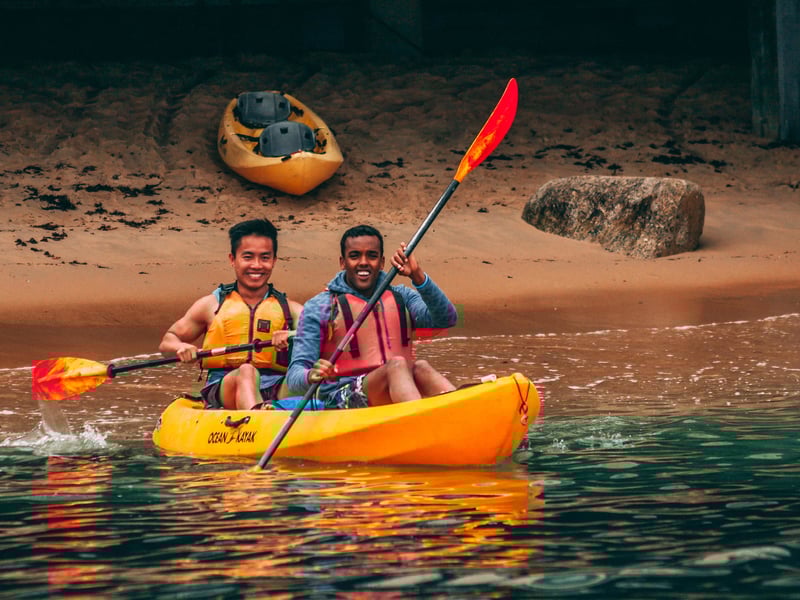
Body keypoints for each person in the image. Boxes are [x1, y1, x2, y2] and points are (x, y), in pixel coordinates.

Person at [286, 224, 458, 409]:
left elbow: (446, 319)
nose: (363, 262)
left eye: (372, 256)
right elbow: (294, 376)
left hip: (397, 386)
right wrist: (310, 375)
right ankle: (418, 418)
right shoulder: (321, 306)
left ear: (382, 262)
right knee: (397, 365)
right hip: (340, 398)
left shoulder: (402, 296)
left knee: (421, 367)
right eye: (354, 256)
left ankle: (458, 411)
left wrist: (418, 276)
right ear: (343, 262)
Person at [159, 218, 303, 410]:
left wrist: (292, 334)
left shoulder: (290, 309)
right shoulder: (211, 305)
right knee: (247, 371)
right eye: (248, 257)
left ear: (274, 261)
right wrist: (181, 347)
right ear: (233, 259)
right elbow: (167, 342)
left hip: (275, 384)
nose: (257, 265)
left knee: (310, 380)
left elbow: (320, 337)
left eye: (265, 258)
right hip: (224, 385)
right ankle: (257, 416)